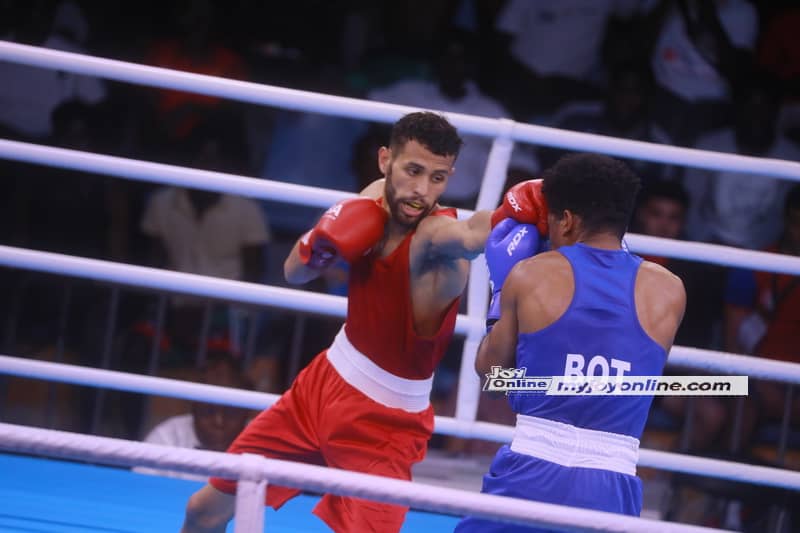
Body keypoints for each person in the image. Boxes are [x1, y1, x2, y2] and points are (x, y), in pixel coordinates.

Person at [180, 111, 548, 532]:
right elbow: (292, 272)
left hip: (383, 426)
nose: (421, 191)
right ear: (384, 160)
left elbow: (470, 234)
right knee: (202, 510)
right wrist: (316, 249)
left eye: (437, 178)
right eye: (413, 171)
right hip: (322, 385)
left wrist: (518, 213)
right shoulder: (371, 199)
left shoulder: (434, 237)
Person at [457, 153, 686, 531]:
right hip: (611, 484)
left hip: (531, 470)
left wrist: (502, 290)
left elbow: (493, 379)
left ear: (566, 219)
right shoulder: (669, 290)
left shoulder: (530, 276)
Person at [134, 352, 253, 481]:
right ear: (194, 408)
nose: (219, 421)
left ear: (246, 413)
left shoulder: (261, 442)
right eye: (208, 411)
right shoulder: (167, 438)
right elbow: (139, 489)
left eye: (231, 413)